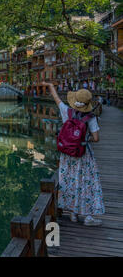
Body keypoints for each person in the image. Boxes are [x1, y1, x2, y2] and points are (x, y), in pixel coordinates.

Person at [42, 82, 105, 226]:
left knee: (69, 181)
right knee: (86, 182)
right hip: (83, 154)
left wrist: (51, 86)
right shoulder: (90, 118)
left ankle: (73, 214)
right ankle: (88, 217)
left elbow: (56, 98)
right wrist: (85, 139)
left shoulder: (66, 111)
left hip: (67, 155)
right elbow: (96, 138)